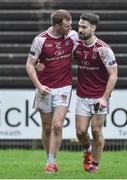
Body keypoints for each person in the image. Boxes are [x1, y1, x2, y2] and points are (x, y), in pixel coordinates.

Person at [26, 9, 78, 173]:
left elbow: (86, 48)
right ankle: (49, 158)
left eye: (71, 25)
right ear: (56, 25)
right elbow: (29, 64)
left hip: (64, 87)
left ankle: (51, 162)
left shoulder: (73, 36)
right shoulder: (40, 40)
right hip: (44, 88)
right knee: (47, 127)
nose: (69, 28)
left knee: (57, 125)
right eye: (66, 26)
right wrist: (39, 86)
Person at [74, 12, 118, 173]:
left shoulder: (103, 49)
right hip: (82, 95)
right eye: (79, 26)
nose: (80, 29)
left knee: (96, 130)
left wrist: (105, 98)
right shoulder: (76, 44)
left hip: (99, 96)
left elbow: (114, 74)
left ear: (93, 28)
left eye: (84, 27)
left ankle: (95, 165)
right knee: (80, 132)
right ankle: (88, 150)